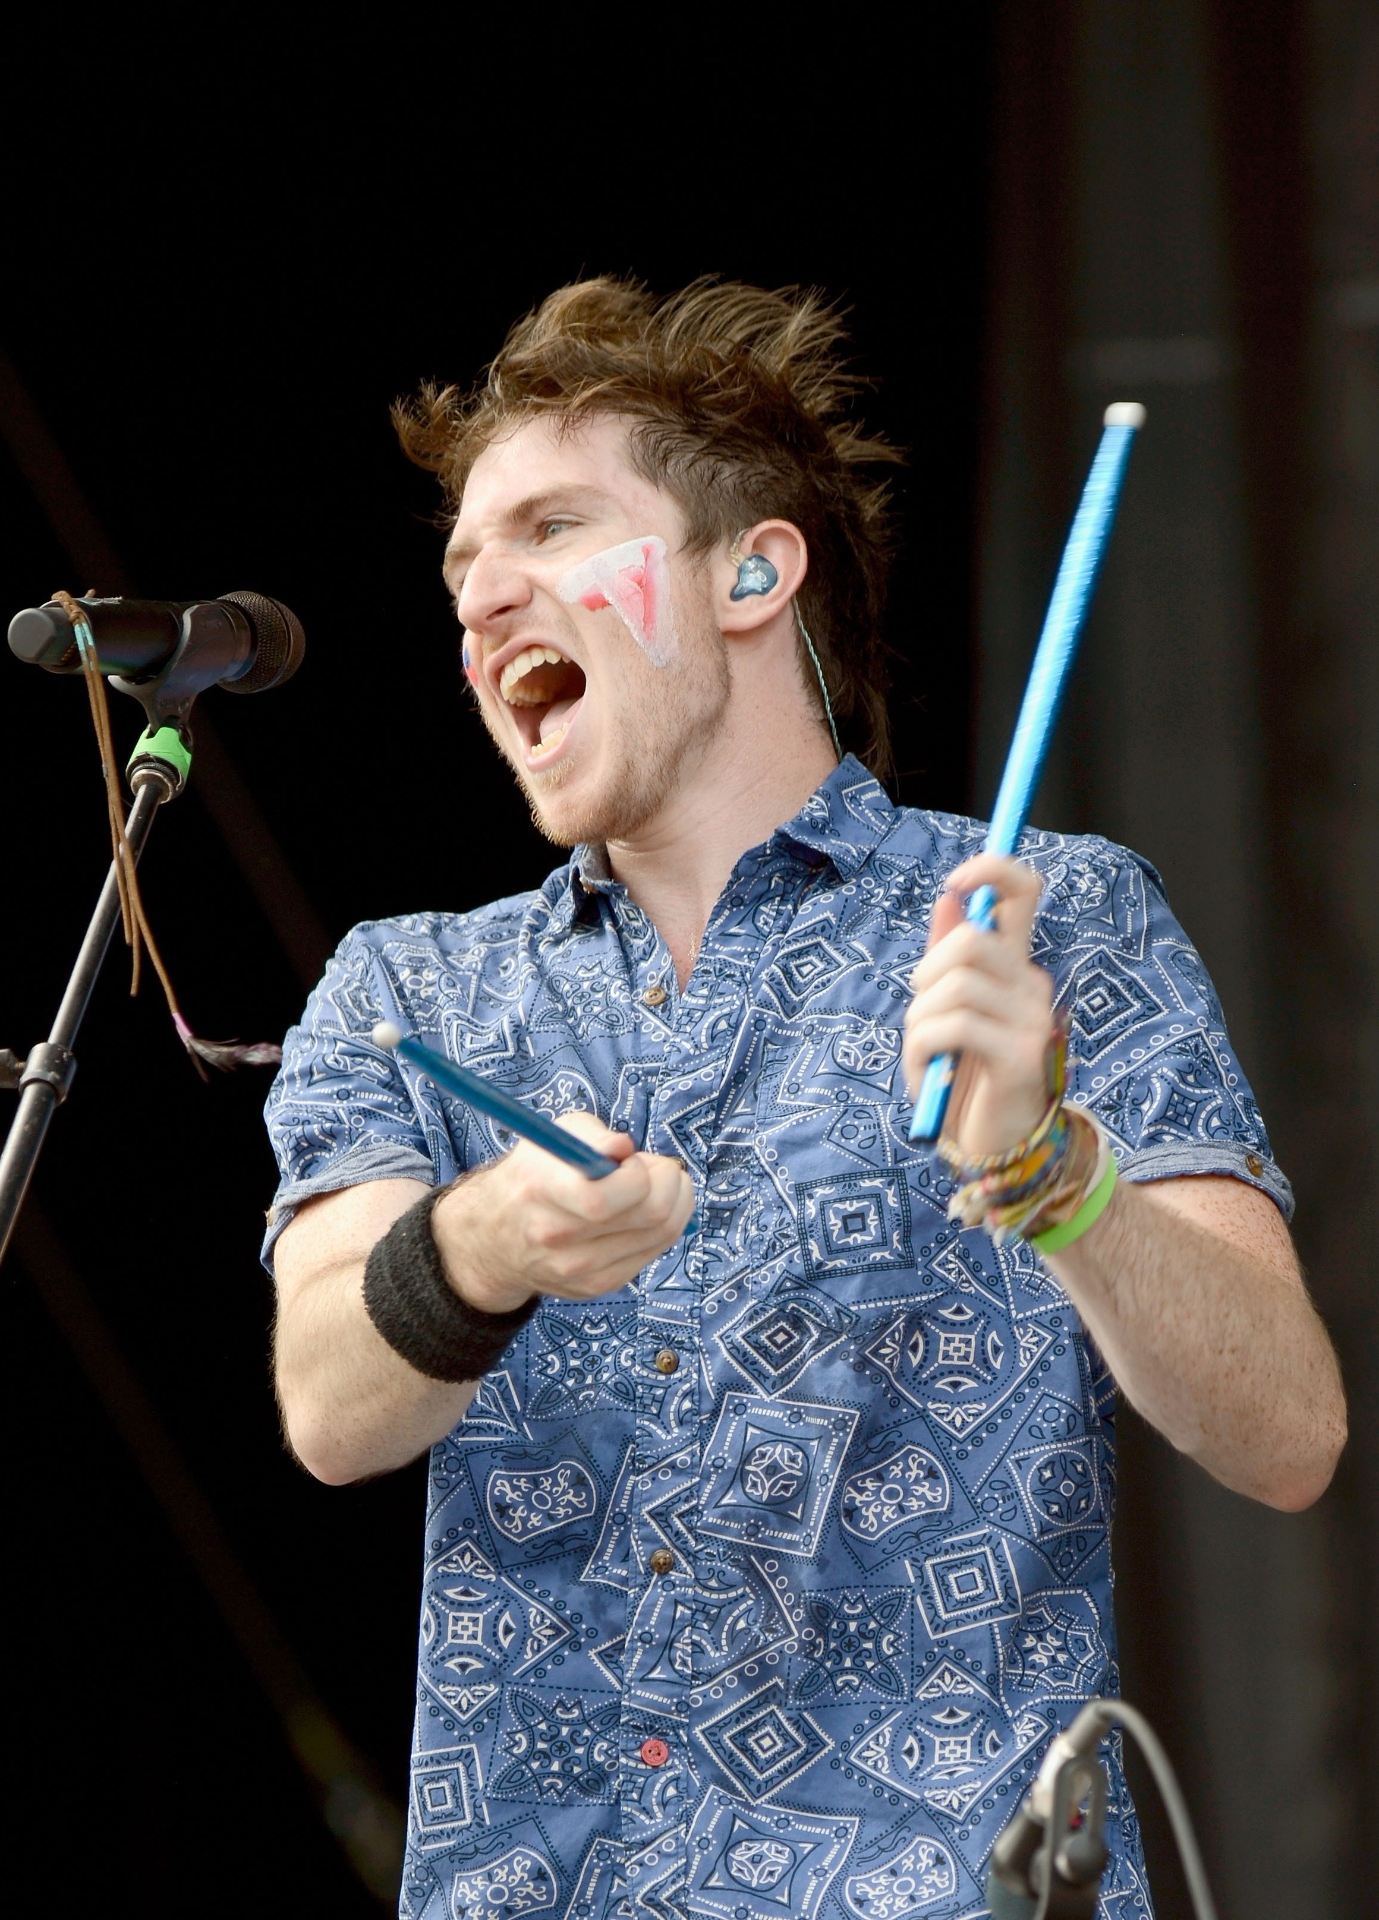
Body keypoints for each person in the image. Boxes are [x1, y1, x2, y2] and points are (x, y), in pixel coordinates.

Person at [263, 278, 1345, 1920]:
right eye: (464, 572)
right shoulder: (412, 989)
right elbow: (330, 1409)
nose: (485, 602)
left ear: (756, 570)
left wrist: (1048, 1166)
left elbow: (1287, 1434)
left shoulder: (1048, 912)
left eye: (552, 531)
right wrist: (485, 1240)